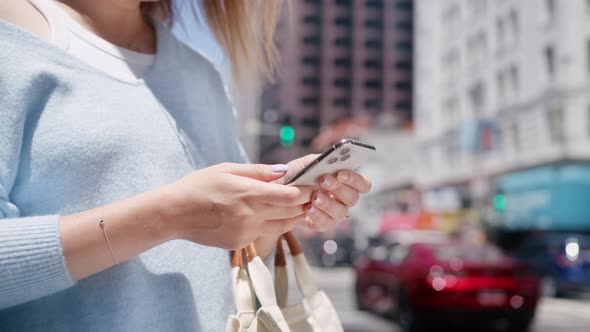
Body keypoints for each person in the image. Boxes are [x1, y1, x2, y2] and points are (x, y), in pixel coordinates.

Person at [0, 0, 372, 331]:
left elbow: (234, 255)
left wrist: (286, 203)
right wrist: (168, 216)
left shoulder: (200, 74)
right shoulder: (12, 34)